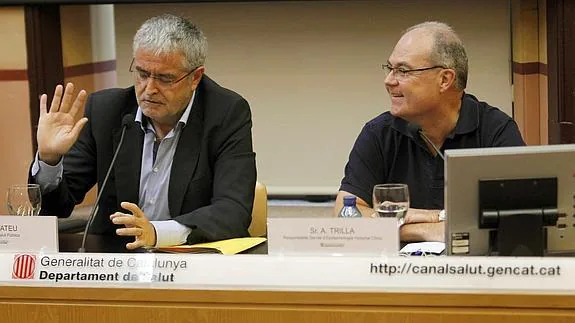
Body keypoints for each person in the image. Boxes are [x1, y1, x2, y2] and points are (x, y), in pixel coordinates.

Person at [29, 14, 257, 250]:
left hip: (192, 258)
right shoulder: (107, 112)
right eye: (142, 73)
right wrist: (49, 159)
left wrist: (157, 233)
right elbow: (56, 207)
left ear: (195, 78)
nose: (149, 89)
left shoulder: (226, 114)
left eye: (165, 78)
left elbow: (233, 211)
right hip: (117, 258)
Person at [334, 21, 525, 242]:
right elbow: (346, 214)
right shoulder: (379, 132)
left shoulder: (495, 130)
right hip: (395, 270)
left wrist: (396, 221)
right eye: (390, 68)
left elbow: (518, 216)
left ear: (445, 79)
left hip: (473, 267)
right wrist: (428, 226)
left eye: (403, 71)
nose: (389, 80)